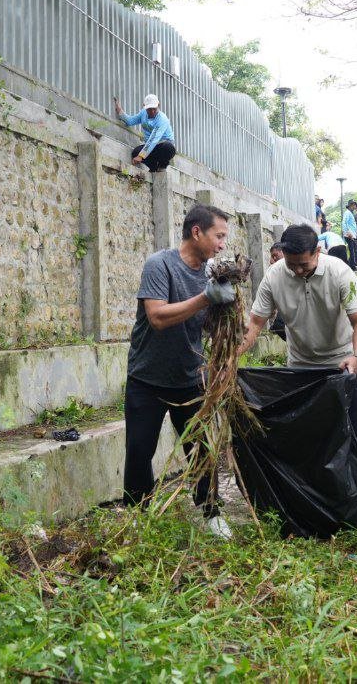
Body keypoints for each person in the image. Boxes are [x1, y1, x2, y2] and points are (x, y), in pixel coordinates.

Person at [123, 204, 234, 539]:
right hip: (147, 378)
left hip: (190, 378)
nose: (222, 245)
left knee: (201, 449)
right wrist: (205, 298)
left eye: (224, 238)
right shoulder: (160, 265)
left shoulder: (214, 274)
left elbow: (214, 328)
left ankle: (212, 512)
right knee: (140, 450)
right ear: (197, 232)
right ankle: (137, 516)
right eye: (219, 236)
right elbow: (157, 317)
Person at [240, 224, 357, 497]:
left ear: (318, 251)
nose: (298, 271)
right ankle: (314, 500)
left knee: (355, 437)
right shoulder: (275, 276)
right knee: (305, 438)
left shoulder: (339, 273)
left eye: (304, 264)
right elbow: (255, 324)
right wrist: (230, 357)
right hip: (299, 370)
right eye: (292, 265)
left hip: (341, 366)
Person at [113, 94, 175, 172]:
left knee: (168, 147)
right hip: (152, 147)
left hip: (163, 145)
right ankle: (153, 168)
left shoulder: (162, 119)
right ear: (144, 106)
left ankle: (162, 166)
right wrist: (120, 112)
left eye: (154, 109)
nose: (152, 111)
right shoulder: (143, 113)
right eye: (149, 109)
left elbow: (153, 139)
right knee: (136, 152)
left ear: (158, 105)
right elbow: (130, 121)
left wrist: (141, 156)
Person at [342, 200, 357, 270]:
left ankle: (351, 264)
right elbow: (344, 223)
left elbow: (352, 225)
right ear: (351, 205)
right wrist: (347, 232)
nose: (355, 207)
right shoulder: (347, 213)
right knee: (352, 251)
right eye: (355, 205)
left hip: (352, 234)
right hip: (349, 235)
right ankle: (352, 266)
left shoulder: (350, 213)